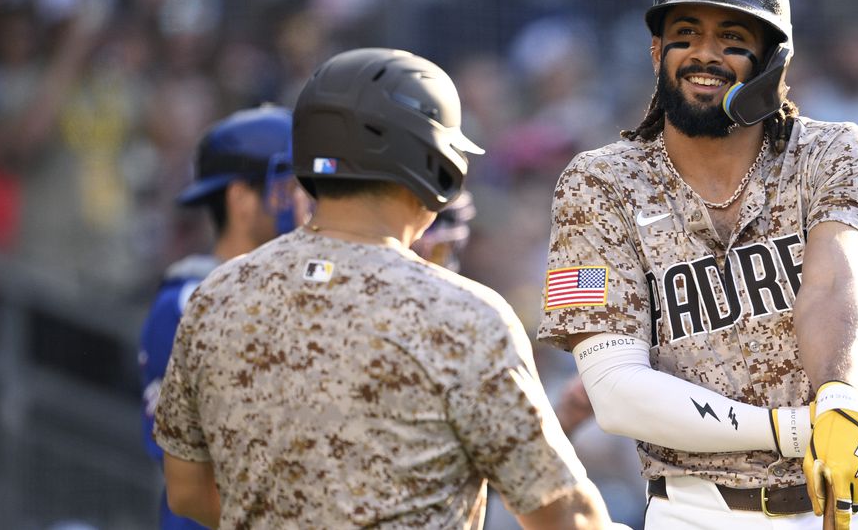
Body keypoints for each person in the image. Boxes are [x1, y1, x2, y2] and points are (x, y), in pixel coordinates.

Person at [537, 0, 858, 529]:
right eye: (685, 32)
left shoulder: (836, 153)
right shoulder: (597, 183)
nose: (704, 54)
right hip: (693, 510)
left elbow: (835, 279)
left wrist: (839, 399)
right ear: (656, 50)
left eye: (733, 37)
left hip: (839, 506)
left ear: (773, 62)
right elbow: (615, 391)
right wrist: (800, 428)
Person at [152, 48, 615, 529]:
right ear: (436, 167)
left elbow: (186, 491)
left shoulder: (217, 294)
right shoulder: (462, 315)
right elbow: (563, 515)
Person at [138, 105, 308, 530]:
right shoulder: (185, 303)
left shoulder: (304, 288)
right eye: (288, 187)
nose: (305, 202)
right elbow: (198, 469)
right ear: (240, 199)